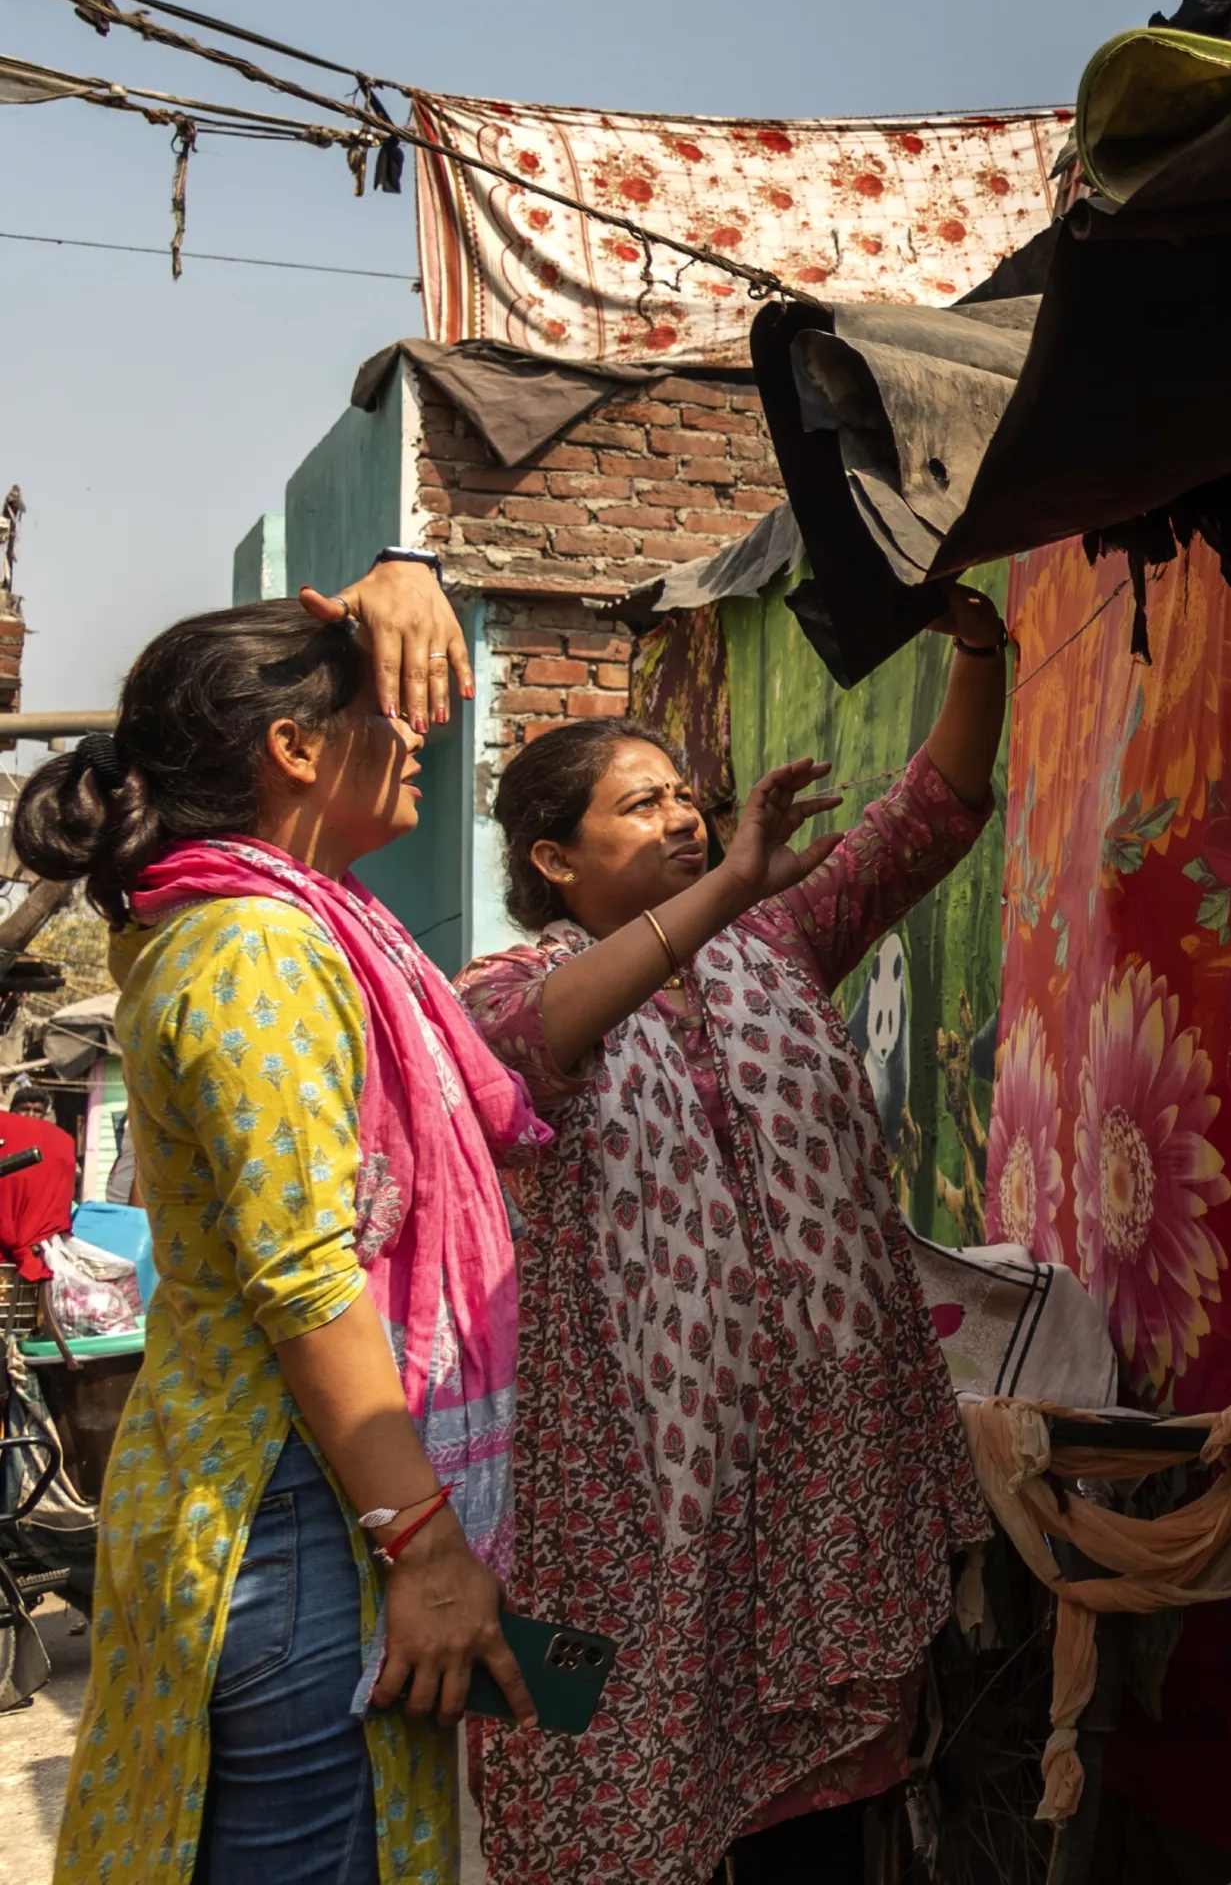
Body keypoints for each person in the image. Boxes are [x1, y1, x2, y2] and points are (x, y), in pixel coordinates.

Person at [455, 583, 1007, 1885]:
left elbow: (927, 817)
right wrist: (728, 890)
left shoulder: (773, 945)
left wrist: (980, 647)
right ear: (552, 859)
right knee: (624, 1810)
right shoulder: (508, 994)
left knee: (818, 1829)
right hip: (630, 1519)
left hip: (815, 1491)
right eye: (640, 803)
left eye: (684, 796)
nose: (684, 817)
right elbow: (537, 1046)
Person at [19, 563, 548, 1885]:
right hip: (301, 1508)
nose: (416, 730)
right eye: (384, 708)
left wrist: (404, 578)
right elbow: (308, 1281)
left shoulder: (238, 925)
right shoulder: (255, 944)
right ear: (296, 748)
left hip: (297, 1501)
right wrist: (425, 1551)